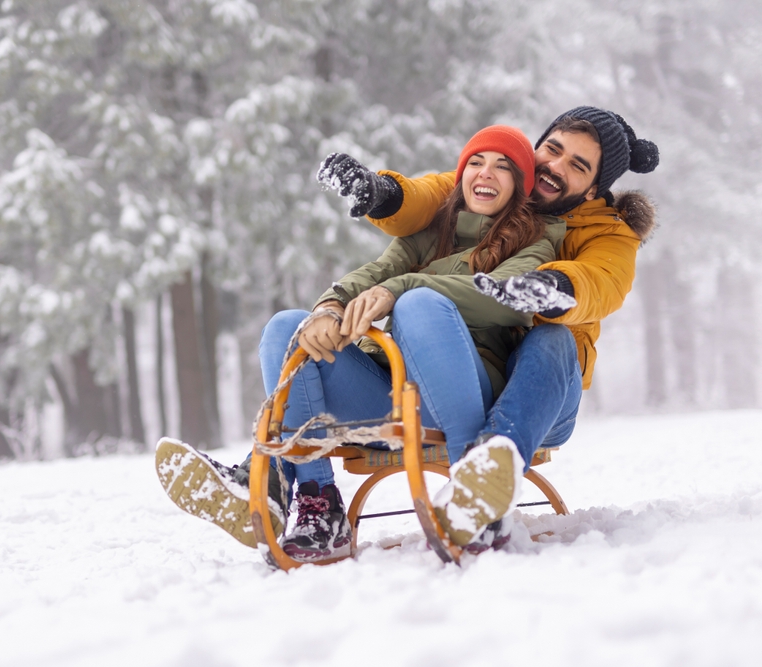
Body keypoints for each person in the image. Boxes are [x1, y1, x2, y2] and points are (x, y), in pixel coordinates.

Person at [156, 125, 566, 561]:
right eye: (477, 163)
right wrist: (330, 307)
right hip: (392, 390)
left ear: (521, 186)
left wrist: (401, 289)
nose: (487, 174)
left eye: (504, 167)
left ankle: (472, 490)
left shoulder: (537, 241)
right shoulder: (432, 231)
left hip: (464, 393)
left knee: (419, 304)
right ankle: (316, 506)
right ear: (462, 173)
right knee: (286, 328)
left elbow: (501, 299)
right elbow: (375, 271)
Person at [320, 106, 658, 550]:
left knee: (552, 337)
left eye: (577, 165)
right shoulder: (499, 182)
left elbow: (605, 280)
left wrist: (557, 286)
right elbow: (431, 195)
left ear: (594, 187)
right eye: (552, 150)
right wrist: (383, 193)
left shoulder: (608, 232)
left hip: (538, 394)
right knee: (320, 336)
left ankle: (487, 474)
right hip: (456, 373)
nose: (555, 168)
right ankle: (275, 481)